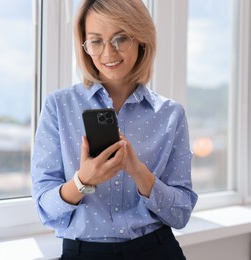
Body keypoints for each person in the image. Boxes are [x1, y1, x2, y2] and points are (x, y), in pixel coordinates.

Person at [31, 0, 198, 259]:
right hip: (83, 252)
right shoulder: (58, 106)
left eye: (121, 38)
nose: (108, 54)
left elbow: (181, 213)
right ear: (84, 45)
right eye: (96, 41)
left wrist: (138, 170)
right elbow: (45, 209)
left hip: (155, 250)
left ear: (141, 40)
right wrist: (83, 180)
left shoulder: (170, 114)